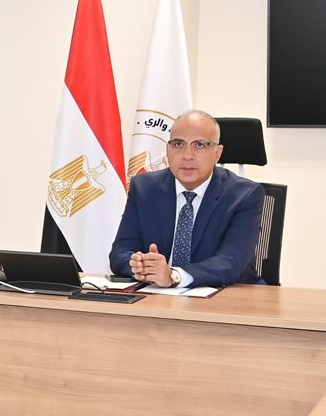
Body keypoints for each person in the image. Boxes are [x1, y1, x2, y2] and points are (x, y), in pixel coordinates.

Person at [109, 109, 265, 287]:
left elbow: (229, 262)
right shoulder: (144, 188)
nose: (187, 155)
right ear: (167, 150)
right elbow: (120, 252)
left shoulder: (244, 195)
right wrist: (139, 267)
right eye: (178, 144)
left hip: (228, 296)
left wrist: (174, 276)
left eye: (200, 145)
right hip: (157, 296)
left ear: (217, 153)